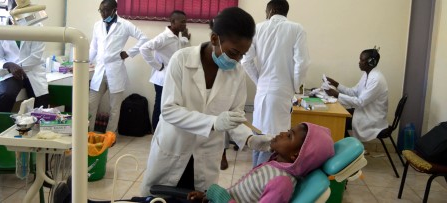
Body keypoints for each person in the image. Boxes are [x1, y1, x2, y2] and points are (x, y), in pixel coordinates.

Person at [141, 7, 257, 195]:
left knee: (200, 197)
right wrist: (213, 122)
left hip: (207, 154)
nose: (237, 60)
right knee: (160, 197)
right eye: (234, 52)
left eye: (242, 55)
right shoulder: (181, 59)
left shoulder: (237, 72)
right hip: (174, 146)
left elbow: (235, 117)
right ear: (214, 39)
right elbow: (169, 110)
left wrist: (251, 138)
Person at [187, 122, 335, 203]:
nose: (283, 133)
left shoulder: (282, 183)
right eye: (287, 130)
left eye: (289, 136)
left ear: (296, 154)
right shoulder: (274, 165)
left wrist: (221, 197)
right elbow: (241, 194)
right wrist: (210, 196)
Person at [241, 0, 310, 167]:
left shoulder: (258, 28)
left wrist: (260, 82)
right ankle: (264, 181)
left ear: (270, 10)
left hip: (262, 92)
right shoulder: (296, 28)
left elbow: (246, 61)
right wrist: (294, 87)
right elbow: (302, 63)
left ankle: (255, 176)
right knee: (276, 141)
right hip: (282, 93)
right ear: (285, 11)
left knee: (259, 138)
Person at [88, 0, 149, 134]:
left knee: (114, 108)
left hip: (115, 71)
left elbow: (144, 38)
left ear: (115, 9)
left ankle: (110, 135)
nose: (103, 14)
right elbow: (94, 46)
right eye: (101, 10)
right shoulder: (97, 25)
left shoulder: (125, 25)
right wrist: (84, 62)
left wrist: (129, 53)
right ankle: (88, 133)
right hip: (99, 71)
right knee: (91, 104)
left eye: (106, 10)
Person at [0, 0, 49, 112]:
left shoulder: (37, 26)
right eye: (13, 4)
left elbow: (36, 56)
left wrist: (16, 67)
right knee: (6, 96)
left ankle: (40, 128)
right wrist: (8, 65)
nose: (17, 8)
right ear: (6, 7)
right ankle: (2, 127)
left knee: (42, 103)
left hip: (33, 71)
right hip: (11, 73)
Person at [139, 10, 191, 132]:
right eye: (182, 22)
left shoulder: (175, 36)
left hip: (170, 78)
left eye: (185, 22)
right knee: (160, 106)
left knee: (168, 107)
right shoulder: (163, 37)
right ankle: (156, 131)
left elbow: (177, 45)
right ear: (173, 22)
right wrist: (157, 66)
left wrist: (185, 39)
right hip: (162, 79)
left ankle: (163, 131)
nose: (185, 25)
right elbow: (144, 48)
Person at [325, 48, 388, 142]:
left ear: (371, 62)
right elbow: (354, 92)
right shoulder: (367, 75)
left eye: (362, 60)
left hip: (371, 118)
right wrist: (336, 84)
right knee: (338, 118)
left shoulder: (376, 79)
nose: (359, 63)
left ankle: (350, 150)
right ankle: (348, 148)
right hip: (364, 112)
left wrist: (337, 95)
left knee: (338, 121)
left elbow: (360, 102)